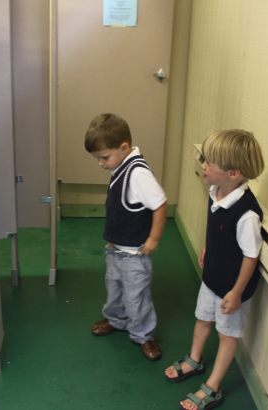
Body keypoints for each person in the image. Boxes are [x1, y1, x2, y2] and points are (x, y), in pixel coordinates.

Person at [164, 129, 265, 410]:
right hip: (211, 278)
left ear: (233, 173)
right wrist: (208, 247)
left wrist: (236, 292)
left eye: (210, 162)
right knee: (202, 318)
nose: (204, 165)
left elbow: (251, 256)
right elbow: (216, 227)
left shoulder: (246, 214)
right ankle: (194, 360)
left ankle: (213, 386)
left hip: (232, 288)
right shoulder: (215, 191)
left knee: (227, 335)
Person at [84, 113, 167, 361]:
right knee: (114, 288)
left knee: (136, 296)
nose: (101, 164)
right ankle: (116, 320)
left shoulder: (138, 174)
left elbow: (159, 204)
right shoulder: (120, 166)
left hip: (134, 254)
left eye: (104, 157)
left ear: (123, 147)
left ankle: (143, 335)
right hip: (116, 249)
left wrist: (153, 238)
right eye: (97, 159)